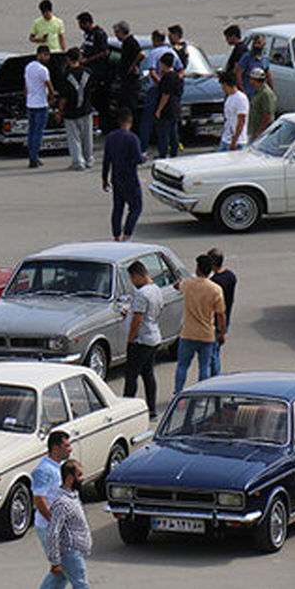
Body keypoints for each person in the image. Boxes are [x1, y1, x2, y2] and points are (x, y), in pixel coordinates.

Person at [173, 254, 227, 394]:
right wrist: (222, 332)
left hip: (188, 332)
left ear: (197, 268)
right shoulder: (215, 289)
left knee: (182, 366)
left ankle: (178, 392)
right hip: (206, 334)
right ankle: (202, 394)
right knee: (204, 367)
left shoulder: (188, 284)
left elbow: (177, 286)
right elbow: (221, 314)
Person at [43, 460, 92, 589]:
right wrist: (55, 561)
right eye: (80, 475)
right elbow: (53, 532)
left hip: (74, 553)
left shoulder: (73, 496)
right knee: (81, 585)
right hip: (70, 553)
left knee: (55, 585)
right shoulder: (62, 503)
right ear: (70, 479)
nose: (83, 478)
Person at [123, 261, 162, 418]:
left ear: (137, 276)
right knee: (148, 374)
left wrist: (130, 340)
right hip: (154, 336)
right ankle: (152, 409)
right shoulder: (156, 289)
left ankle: (126, 410)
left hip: (141, 340)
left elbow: (137, 320)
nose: (132, 282)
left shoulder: (142, 294)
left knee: (131, 376)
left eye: (132, 278)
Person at [102, 108, 144, 241]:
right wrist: (144, 158)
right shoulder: (132, 138)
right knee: (136, 207)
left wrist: (104, 178)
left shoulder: (110, 137)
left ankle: (116, 235)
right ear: (130, 122)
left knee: (118, 207)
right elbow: (138, 159)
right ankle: (127, 233)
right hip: (130, 177)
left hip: (116, 177)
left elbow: (106, 159)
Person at [31, 430, 72, 553]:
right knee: (66, 565)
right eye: (67, 446)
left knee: (65, 567)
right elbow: (39, 500)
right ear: (55, 448)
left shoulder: (62, 466)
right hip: (48, 526)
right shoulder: (43, 470)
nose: (70, 449)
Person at [57, 48, 94, 171]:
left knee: (74, 138)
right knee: (87, 137)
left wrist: (59, 111)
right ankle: (89, 159)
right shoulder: (88, 72)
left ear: (68, 60)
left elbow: (63, 97)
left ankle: (78, 162)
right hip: (86, 110)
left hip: (71, 112)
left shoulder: (66, 76)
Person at [138, 30, 173, 155]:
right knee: (169, 122)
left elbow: (152, 72)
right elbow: (180, 70)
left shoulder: (154, 53)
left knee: (147, 120)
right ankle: (171, 149)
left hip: (155, 89)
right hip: (170, 91)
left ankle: (143, 149)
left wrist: (161, 84)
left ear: (155, 40)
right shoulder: (171, 51)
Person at [207, 248, 237, 377]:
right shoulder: (230, 276)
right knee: (216, 351)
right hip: (226, 317)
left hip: (216, 320)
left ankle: (214, 378)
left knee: (212, 355)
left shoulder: (214, 282)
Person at [25, 45, 55, 169]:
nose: (47, 58)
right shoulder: (43, 70)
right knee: (38, 133)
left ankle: (32, 156)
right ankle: (34, 158)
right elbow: (49, 85)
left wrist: (26, 97)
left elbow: (25, 84)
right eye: (46, 55)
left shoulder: (29, 67)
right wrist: (52, 97)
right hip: (41, 104)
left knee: (31, 132)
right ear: (40, 55)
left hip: (30, 103)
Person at [76, 12, 110, 121]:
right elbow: (85, 47)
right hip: (88, 71)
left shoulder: (99, 34)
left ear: (86, 23)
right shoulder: (88, 34)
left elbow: (105, 52)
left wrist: (88, 60)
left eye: (81, 24)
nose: (80, 27)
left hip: (98, 72)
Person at [153, 53, 183, 159]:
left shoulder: (167, 78)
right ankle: (174, 152)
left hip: (166, 109)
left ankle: (163, 153)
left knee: (163, 133)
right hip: (175, 107)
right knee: (173, 132)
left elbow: (165, 95)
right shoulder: (177, 76)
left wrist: (159, 110)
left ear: (163, 64)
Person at [111, 21, 141, 119]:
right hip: (125, 83)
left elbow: (140, 55)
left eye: (117, 33)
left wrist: (133, 67)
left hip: (130, 84)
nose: (116, 35)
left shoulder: (130, 43)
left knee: (130, 109)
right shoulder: (126, 43)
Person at [218, 71, 249, 151]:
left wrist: (234, 140)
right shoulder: (229, 97)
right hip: (226, 138)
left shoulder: (241, 98)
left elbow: (241, 120)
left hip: (238, 141)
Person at [247, 67, 277, 140]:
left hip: (263, 134)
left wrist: (260, 132)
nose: (250, 81)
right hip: (254, 130)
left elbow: (267, 115)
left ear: (254, 80)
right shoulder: (258, 91)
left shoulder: (265, 93)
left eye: (251, 79)